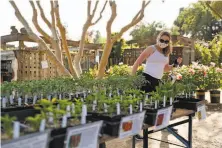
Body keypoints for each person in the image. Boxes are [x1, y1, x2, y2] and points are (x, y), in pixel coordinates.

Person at [131, 31, 182, 140]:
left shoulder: (166, 52)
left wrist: (175, 64)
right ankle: (135, 132)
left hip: (157, 81)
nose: (163, 42)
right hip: (146, 79)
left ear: (169, 42)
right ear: (158, 38)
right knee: (142, 106)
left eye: (166, 41)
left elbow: (165, 68)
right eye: (162, 40)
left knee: (160, 104)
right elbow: (137, 63)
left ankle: (163, 126)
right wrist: (133, 79)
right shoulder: (151, 49)